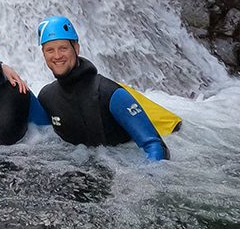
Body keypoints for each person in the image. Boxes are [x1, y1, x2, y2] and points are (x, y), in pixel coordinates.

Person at [35, 16, 168, 161]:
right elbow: (36, 139)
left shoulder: (110, 94)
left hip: (121, 171)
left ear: (76, 48)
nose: (57, 56)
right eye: (50, 50)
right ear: (43, 53)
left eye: (63, 48)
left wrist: (148, 179)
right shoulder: (46, 97)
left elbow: (155, 146)